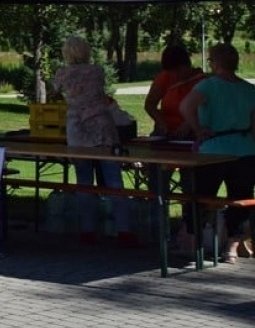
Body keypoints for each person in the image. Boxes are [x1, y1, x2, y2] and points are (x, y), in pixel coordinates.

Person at [52, 36, 132, 245]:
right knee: (114, 181)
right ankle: (123, 230)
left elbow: (55, 92)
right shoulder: (97, 71)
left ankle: (87, 229)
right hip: (102, 128)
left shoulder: (63, 74)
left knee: (84, 181)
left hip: (77, 130)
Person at [179, 43, 255, 264]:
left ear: (216, 63)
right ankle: (231, 249)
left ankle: (194, 246)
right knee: (239, 197)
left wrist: (197, 129)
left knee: (201, 197)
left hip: (214, 149)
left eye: (210, 60)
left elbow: (186, 107)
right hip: (245, 149)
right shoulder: (249, 89)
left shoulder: (208, 86)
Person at [144, 43, 205, 139]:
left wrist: (189, 124)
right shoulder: (164, 77)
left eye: (179, 71)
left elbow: (207, 111)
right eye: (171, 72)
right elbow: (150, 104)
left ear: (187, 65)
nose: (175, 75)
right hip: (166, 133)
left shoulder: (203, 81)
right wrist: (161, 122)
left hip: (192, 133)